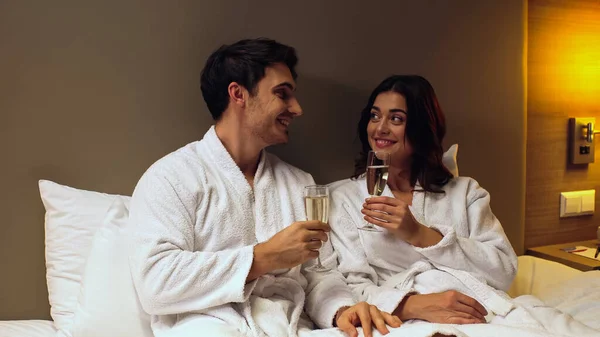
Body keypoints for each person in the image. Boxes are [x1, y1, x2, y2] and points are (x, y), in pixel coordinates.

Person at [127, 38, 401, 337]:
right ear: (238, 94)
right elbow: (155, 284)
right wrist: (263, 257)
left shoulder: (299, 183)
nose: (296, 109)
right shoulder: (171, 177)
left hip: (291, 328)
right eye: (283, 94)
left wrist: (341, 310)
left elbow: (319, 274)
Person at [328, 75, 518, 327]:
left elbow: (504, 271)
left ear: (422, 128)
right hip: (401, 321)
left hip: (478, 313)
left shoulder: (465, 192)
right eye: (375, 116)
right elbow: (350, 286)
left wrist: (420, 234)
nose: (380, 128)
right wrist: (410, 305)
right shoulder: (343, 199)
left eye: (396, 119)